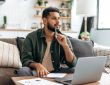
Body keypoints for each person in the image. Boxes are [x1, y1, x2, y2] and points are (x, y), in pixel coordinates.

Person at [17, 7, 77, 77]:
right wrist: (37, 65)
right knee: (23, 71)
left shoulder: (64, 38)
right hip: (37, 72)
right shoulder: (31, 37)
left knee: (75, 69)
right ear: (44, 21)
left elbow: (72, 64)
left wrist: (65, 45)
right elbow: (25, 60)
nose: (58, 22)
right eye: (54, 18)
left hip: (56, 72)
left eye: (58, 18)